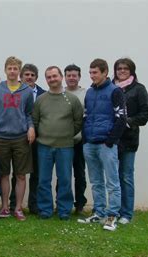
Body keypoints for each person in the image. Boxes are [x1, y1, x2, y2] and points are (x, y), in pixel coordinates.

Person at [78, 58, 126, 231]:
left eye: (95, 72)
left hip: (107, 145)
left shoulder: (115, 91)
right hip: (89, 143)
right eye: (90, 72)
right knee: (96, 181)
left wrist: (110, 141)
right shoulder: (90, 92)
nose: (92, 76)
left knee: (112, 182)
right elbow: (86, 116)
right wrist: (85, 139)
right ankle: (98, 212)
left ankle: (112, 216)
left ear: (105, 72)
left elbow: (122, 118)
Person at [0, 56, 35, 221]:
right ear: (5, 70)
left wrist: (31, 128)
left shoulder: (27, 91)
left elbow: (28, 114)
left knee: (21, 175)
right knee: (3, 174)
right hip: (2, 138)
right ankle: (5, 207)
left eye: (15, 69)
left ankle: (18, 208)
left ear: (19, 71)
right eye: (9, 68)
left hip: (21, 137)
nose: (12, 71)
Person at [33, 66, 83, 220]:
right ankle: (45, 209)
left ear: (61, 77)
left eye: (55, 76)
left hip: (65, 146)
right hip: (44, 146)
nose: (52, 79)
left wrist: (66, 134)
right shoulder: (41, 99)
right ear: (46, 79)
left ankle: (64, 210)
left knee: (65, 179)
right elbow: (35, 121)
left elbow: (78, 122)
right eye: (49, 77)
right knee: (43, 180)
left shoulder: (72, 99)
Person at [112, 58, 148, 224]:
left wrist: (128, 121)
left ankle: (126, 214)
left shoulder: (138, 89)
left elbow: (147, 113)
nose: (122, 71)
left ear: (132, 71)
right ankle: (113, 210)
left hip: (128, 140)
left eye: (125, 68)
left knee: (126, 176)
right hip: (111, 139)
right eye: (119, 68)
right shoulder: (110, 88)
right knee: (113, 177)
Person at [11, 63, 46, 214]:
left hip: (38, 138)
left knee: (36, 173)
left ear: (36, 77)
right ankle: (14, 204)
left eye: (32, 75)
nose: (29, 77)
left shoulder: (44, 95)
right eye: (27, 74)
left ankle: (34, 204)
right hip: (19, 137)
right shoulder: (13, 93)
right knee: (18, 173)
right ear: (21, 77)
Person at [64, 64, 88, 213]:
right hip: (63, 141)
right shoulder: (59, 93)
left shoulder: (86, 94)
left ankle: (79, 204)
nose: (71, 78)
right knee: (63, 175)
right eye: (69, 75)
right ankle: (63, 203)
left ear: (79, 77)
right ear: (65, 77)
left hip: (80, 141)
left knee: (79, 174)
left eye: (74, 75)